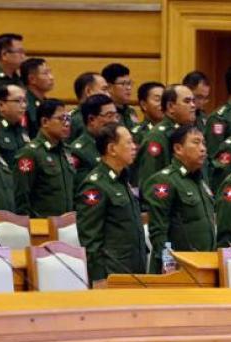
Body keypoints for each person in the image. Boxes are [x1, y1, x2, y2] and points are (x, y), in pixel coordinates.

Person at [76, 122, 147, 282]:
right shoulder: (95, 185)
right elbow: (90, 239)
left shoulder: (123, 179)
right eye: (128, 142)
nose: (134, 147)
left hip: (135, 267)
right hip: (113, 273)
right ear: (112, 149)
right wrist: (98, 278)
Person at [143, 125, 215, 273]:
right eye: (196, 142)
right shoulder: (164, 180)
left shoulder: (200, 181)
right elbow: (159, 231)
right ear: (178, 149)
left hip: (203, 264)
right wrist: (168, 263)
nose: (202, 148)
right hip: (177, 269)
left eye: (204, 143)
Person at [14, 99, 75, 217]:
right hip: (41, 227)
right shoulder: (30, 153)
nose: (66, 123)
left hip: (66, 226)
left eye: (67, 118)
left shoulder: (66, 151)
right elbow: (21, 196)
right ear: (45, 121)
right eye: (61, 119)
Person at [134, 84, 197, 187]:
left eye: (193, 101)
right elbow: (151, 182)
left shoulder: (189, 132)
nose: (193, 105)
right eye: (187, 101)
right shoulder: (157, 137)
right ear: (170, 106)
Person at [70, 94, 119, 185]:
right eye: (109, 116)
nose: (115, 121)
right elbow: (84, 188)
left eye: (116, 116)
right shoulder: (79, 152)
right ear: (91, 119)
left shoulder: (114, 146)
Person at [0, 83, 29, 165]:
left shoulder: (22, 129)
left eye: (25, 101)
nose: (23, 105)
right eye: (18, 101)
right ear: (1, 105)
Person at [67, 71, 110, 143]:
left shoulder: (107, 116)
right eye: (104, 89)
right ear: (88, 91)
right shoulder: (73, 120)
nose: (108, 95)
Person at [21, 57, 54, 138]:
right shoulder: (23, 104)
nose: (51, 77)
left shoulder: (46, 103)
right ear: (32, 79)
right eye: (45, 73)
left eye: (50, 72)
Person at [102, 63, 139, 130]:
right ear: (109, 87)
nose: (129, 88)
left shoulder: (131, 111)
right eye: (123, 84)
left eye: (129, 83)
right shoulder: (104, 112)